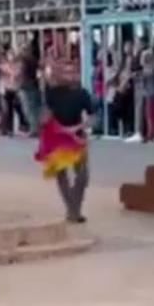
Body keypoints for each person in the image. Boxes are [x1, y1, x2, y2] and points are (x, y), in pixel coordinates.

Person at [35, 61, 95, 223]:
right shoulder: (52, 93)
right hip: (58, 137)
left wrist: (85, 126)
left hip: (76, 136)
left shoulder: (83, 94)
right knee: (61, 174)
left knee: (82, 176)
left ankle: (73, 209)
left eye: (73, 72)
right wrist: (42, 122)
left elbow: (92, 115)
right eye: (66, 72)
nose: (70, 75)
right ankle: (73, 211)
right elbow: (46, 114)